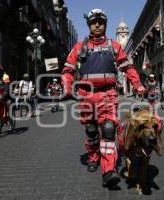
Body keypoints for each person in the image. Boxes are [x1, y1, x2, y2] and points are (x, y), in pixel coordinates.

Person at [61, 8, 146, 188]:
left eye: (101, 22)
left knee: (108, 128)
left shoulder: (114, 46)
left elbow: (128, 68)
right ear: (89, 25)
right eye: (94, 22)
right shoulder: (79, 47)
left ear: (105, 25)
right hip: (86, 95)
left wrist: (137, 84)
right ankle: (93, 156)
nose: (97, 24)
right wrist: (67, 87)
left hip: (108, 94)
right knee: (91, 130)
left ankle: (108, 171)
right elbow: (67, 70)